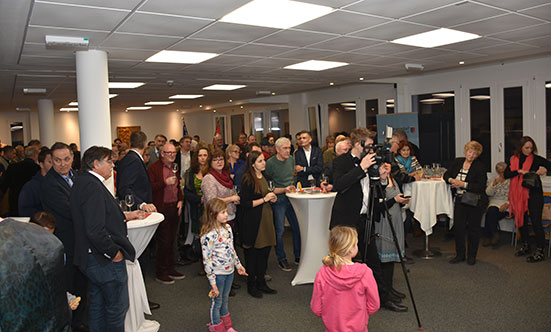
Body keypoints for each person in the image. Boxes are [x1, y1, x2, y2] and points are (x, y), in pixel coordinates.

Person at [330, 128, 406, 312]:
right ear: (358, 144)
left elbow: (372, 192)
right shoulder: (342, 161)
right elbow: (339, 185)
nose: (372, 149)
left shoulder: (371, 162)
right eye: (369, 145)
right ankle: (341, 301)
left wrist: (380, 178)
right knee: (343, 263)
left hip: (366, 218)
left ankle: (382, 298)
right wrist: (361, 167)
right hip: (346, 221)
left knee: (373, 261)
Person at [70, 146, 142, 332]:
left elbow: (99, 218)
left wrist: (124, 216)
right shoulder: (92, 185)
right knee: (116, 309)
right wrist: (114, 253)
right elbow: (94, 229)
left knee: (98, 306)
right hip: (102, 259)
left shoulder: (83, 182)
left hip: (92, 258)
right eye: (109, 161)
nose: (113, 164)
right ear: (96, 164)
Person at [40, 142, 87, 330]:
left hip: (79, 241)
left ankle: (78, 322)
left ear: (72, 158)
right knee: (69, 288)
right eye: (57, 160)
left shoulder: (75, 176)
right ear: (51, 161)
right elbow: (71, 210)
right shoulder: (49, 183)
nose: (62, 164)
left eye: (66, 159)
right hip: (64, 243)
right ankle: (71, 325)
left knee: (80, 285)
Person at [115, 131, 158, 309]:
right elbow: (126, 189)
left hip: (136, 212)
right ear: (145, 144)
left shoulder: (129, 159)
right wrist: (141, 205)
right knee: (140, 257)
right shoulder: (133, 160)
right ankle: (138, 301)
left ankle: (138, 298)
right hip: (136, 214)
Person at [311, 226, 379, 332]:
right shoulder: (365, 272)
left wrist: (329, 316)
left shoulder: (323, 273)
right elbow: (374, 304)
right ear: (351, 249)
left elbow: (316, 307)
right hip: (358, 327)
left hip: (332, 327)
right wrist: (362, 315)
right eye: (356, 244)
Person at [201, 198, 247, 332]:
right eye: (222, 212)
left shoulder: (228, 228)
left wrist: (238, 265)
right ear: (212, 214)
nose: (226, 215)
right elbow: (207, 260)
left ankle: (227, 326)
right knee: (217, 302)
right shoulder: (208, 235)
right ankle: (216, 327)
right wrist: (212, 283)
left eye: (226, 211)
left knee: (225, 299)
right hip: (218, 274)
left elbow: (231, 249)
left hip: (229, 271)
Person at [504, 136, 551, 262]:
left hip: (534, 194)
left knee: (536, 222)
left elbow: (549, 165)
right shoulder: (513, 159)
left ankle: (540, 250)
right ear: (521, 147)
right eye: (526, 148)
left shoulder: (536, 159)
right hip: (518, 195)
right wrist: (519, 171)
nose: (529, 150)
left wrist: (544, 169)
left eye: (531, 148)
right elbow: (506, 174)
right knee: (522, 220)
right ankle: (526, 246)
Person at [239, 151, 278, 298]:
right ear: (253, 164)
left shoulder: (267, 177)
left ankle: (262, 282)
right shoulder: (248, 179)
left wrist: (272, 199)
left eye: (264, 160)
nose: (264, 163)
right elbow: (246, 203)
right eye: (260, 161)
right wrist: (265, 199)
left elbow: (269, 195)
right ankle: (252, 285)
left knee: (265, 252)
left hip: (267, 218)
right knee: (252, 254)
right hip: (254, 221)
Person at [444, 141, 488, 265]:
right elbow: (446, 174)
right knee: (458, 228)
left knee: (473, 229)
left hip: (474, 201)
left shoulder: (480, 166)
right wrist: (451, 179)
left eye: (475, 153)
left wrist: (464, 184)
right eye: (470, 152)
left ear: (478, 155)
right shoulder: (458, 161)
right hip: (459, 200)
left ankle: (471, 256)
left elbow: (481, 186)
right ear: (465, 151)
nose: (471, 155)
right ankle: (460, 255)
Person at [148, 143, 185, 284]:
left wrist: (181, 200)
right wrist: (165, 182)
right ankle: (161, 272)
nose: (172, 155)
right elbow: (149, 187)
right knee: (163, 241)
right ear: (162, 153)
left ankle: (170, 268)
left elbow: (177, 187)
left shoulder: (174, 167)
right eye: (168, 153)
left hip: (174, 208)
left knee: (172, 240)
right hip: (161, 208)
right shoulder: (153, 168)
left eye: (174, 153)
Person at [373, 163, 410, 302]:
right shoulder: (376, 184)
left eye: (387, 166)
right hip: (384, 222)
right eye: (383, 166)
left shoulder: (393, 179)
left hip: (395, 220)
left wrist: (401, 201)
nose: (386, 168)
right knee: (385, 259)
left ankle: (390, 287)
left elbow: (396, 198)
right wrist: (394, 200)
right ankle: (384, 290)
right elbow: (377, 206)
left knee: (392, 258)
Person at [265, 137, 301, 271]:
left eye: (289, 148)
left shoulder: (291, 160)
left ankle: (298, 255)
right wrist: (284, 189)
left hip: (291, 197)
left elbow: (291, 177)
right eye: (285, 148)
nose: (288, 151)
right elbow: (268, 186)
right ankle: (281, 258)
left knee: (297, 227)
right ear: (277, 149)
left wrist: (291, 188)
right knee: (279, 230)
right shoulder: (270, 163)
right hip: (278, 199)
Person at [181, 147, 210, 263]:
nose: (202, 158)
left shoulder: (212, 171)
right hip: (196, 207)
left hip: (210, 208)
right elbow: (186, 192)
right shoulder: (190, 172)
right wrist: (199, 199)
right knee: (199, 234)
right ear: (196, 157)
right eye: (200, 155)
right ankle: (201, 260)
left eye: (205, 155)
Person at [0, 145, 40, 216]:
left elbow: (4, 184)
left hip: (14, 200)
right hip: (31, 202)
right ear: (35, 155)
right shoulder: (37, 169)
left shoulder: (12, 167)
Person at [483, 162, 510, 248]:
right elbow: (488, 193)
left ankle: (489, 235)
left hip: (506, 205)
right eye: (500, 172)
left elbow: (515, 196)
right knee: (492, 211)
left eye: (504, 171)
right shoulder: (494, 179)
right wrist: (494, 185)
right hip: (494, 203)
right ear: (497, 172)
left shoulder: (511, 181)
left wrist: (507, 204)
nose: (502, 174)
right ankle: (494, 234)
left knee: (490, 214)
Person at [18, 148, 52, 216]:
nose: (55, 165)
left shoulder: (60, 183)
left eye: (56, 161)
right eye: (50, 162)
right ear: (41, 165)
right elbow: (25, 211)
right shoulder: (31, 187)